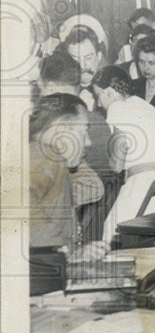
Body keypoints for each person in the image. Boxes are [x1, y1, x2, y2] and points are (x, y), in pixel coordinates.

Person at [91, 66, 155, 242]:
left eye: (98, 95)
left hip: (143, 187)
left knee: (110, 235)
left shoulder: (118, 107)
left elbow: (116, 165)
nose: (98, 103)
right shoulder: (143, 105)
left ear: (109, 92)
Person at [29, 93, 106, 256]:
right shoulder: (49, 162)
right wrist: (69, 255)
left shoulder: (43, 157)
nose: (88, 142)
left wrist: (76, 253)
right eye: (84, 131)